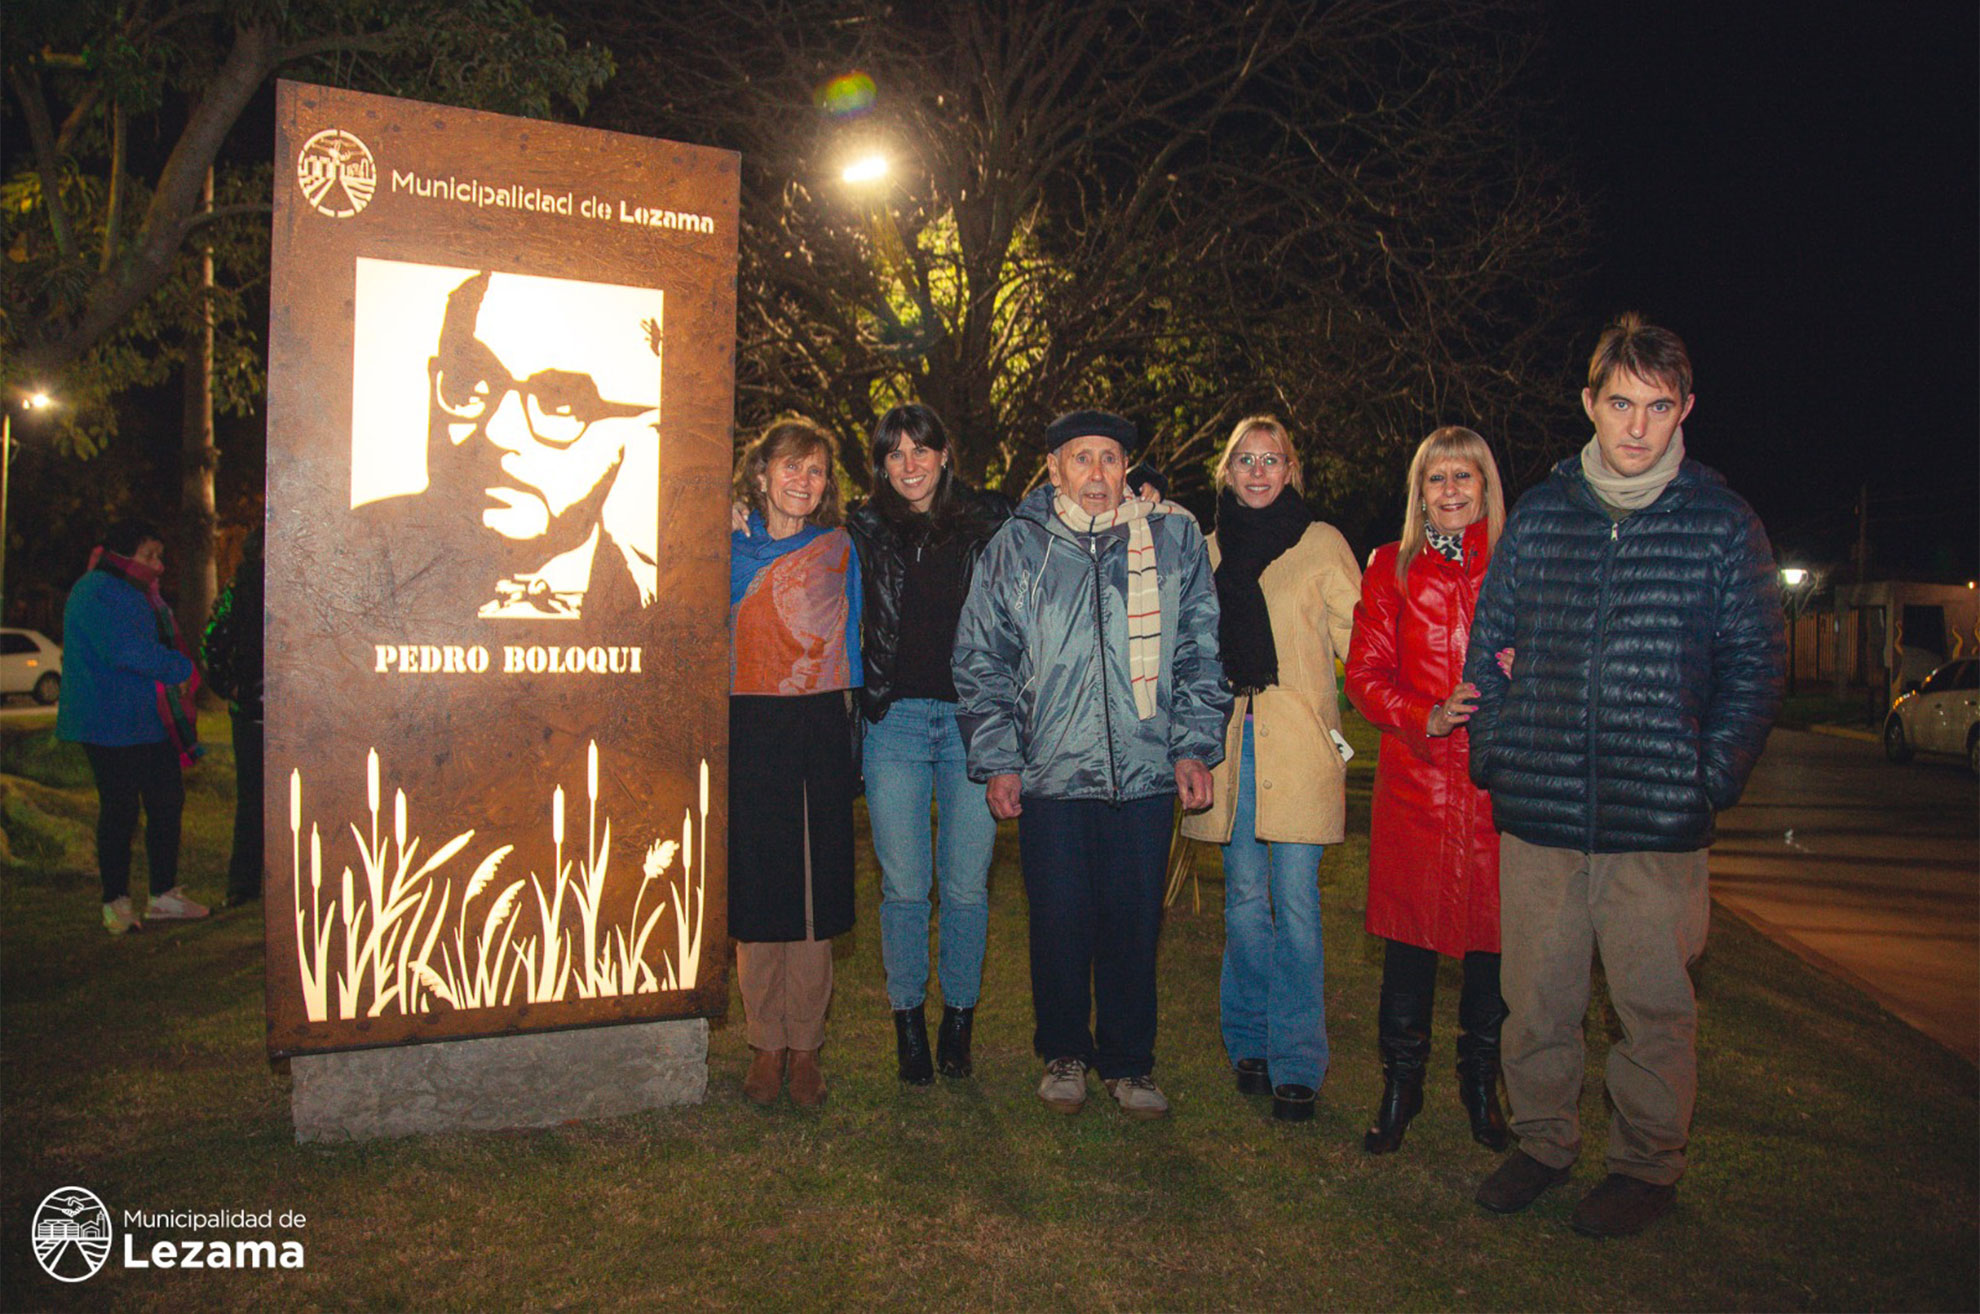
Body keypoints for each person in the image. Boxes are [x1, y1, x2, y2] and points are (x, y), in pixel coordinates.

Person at [1464, 315, 1784, 1238]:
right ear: (1590, 405)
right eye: (1619, 404)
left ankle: (1646, 1166)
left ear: (1684, 409)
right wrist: (1498, 753)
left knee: (1652, 1007)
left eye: (1656, 407)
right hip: (1541, 810)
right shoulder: (1540, 514)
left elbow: (1758, 666)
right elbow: (1489, 648)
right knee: (1538, 1000)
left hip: (1657, 818)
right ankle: (1543, 1144)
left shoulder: (1722, 526)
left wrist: (1708, 775)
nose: (1637, 427)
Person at [954, 409, 1229, 1119]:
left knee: (1135, 923)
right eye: (1083, 459)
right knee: (1059, 920)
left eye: (1111, 458)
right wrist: (1000, 759)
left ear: (1126, 468)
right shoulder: (1018, 547)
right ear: (1054, 469)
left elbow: (1201, 648)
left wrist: (1194, 745)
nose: (1099, 474)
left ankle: (1131, 1063)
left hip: (1142, 771)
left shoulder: (1171, 540)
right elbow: (982, 658)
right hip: (1052, 771)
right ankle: (1065, 1054)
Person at [1180, 415, 1360, 1123]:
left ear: (1291, 470)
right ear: (1227, 471)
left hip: (1300, 746)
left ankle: (1297, 1060)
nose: (1258, 471)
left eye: (1272, 460)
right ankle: (1248, 1043)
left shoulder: (1320, 544)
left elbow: (1366, 639)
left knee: (1299, 906)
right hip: (1231, 748)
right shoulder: (1207, 548)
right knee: (1246, 905)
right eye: (1245, 460)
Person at [1345, 426, 1510, 1156]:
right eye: (1436, 479)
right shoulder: (1390, 568)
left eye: (1463, 478)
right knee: (1409, 950)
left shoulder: (1513, 566)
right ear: (1420, 491)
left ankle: (1481, 1084)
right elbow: (1365, 676)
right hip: (1417, 784)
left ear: (1484, 487)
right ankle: (1400, 1084)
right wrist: (1425, 714)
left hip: (1493, 790)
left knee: (1493, 950)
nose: (1449, 491)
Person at [846, 404, 1013, 1085]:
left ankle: (959, 1020)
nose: (909, 464)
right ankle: (908, 1020)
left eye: (922, 450)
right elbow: (790, 524)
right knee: (906, 887)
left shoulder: (993, 522)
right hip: (896, 723)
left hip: (974, 722)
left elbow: (1072, 513)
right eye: (895, 453)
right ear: (882, 465)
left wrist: (1143, 486)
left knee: (968, 887)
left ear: (946, 455)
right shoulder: (861, 527)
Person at [353, 265, 662, 621]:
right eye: (467, 385)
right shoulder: (361, 549)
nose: (497, 432)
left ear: (642, 427)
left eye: (557, 403)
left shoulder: (667, 599)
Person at [728, 418, 863, 1107]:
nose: (803, 482)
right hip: (747, 723)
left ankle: (805, 1045)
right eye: (790, 468)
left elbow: (857, 641)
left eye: (815, 471)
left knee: (812, 890)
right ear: (760, 475)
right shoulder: (722, 547)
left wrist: (853, 738)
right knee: (759, 886)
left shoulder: (840, 547)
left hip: (817, 723)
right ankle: (763, 1041)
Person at [56, 519, 209, 933]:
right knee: (120, 810)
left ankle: (163, 896)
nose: (158, 566)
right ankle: (116, 902)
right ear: (123, 555)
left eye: (159, 556)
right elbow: (123, 649)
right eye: (149, 556)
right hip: (106, 722)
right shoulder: (96, 591)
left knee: (165, 802)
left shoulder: (141, 593)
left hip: (146, 720)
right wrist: (178, 666)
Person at [203, 525, 265, 907]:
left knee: (260, 800)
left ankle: (253, 884)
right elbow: (213, 641)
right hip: (253, 713)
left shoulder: (298, 581)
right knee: (253, 799)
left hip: (283, 712)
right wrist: (232, 685)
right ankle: (243, 884)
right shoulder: (240, 590)